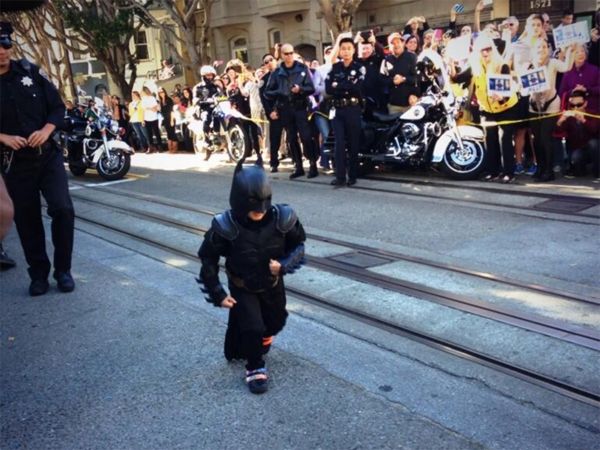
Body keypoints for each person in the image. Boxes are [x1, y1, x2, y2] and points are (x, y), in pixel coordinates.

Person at [197, 159, 306, 394]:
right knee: (253, 327)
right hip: (242, 285)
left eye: (262, 208)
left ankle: (254, 341)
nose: (259, 214)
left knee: (276, 321)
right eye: (254, 209)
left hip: (272, 283)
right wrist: (217, 293)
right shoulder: (225, 225)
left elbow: (299, 246)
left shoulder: (283, 218)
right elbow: (208, 259)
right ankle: (254, 366)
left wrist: (285, 264)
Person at [0, 21, 75, 296]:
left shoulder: (30, 71)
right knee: (27, 219)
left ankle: (63, 270)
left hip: (47, 157)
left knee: (63, 209)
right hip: (14, 162)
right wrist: (3, 137)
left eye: (6, 44)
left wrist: (46, 130)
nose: (3, 51)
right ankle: (39, 274)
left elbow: (57, 107)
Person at [264, 43, 319, 179]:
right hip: (285, 108)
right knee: (292, 138)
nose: (289, 56)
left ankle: (313, 165)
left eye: (291, 53)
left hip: (300, 107)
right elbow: (267, 92)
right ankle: (298, 166)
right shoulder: (277, 72)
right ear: (281, 55)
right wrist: (280, 92)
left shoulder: (302, 68)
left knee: (306, 136)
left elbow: (311, 88)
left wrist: (300, 89)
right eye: (286, 54)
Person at [528, 39, 574, 182]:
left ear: (548, 49)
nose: (541, 49)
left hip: (551, 104)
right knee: (536, 140)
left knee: (545, 138)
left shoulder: (552, 62)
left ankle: (549, 170)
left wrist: (570, 51)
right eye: (538, 47)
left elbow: (566, 67)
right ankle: (540, 167)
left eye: (544, 46)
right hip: (533, 106)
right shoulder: (529, 65)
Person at [326, 37, 365, 187]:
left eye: (349, 48)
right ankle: (340, 176)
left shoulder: (359, 67)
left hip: (352, 109)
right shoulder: (335, 68)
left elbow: (357, 87)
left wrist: (339, 85)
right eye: (343, 48)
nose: (346, 51)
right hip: (337, 110)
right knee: (339, 143)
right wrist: (346, 84)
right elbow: (329, 88)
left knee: (353, 144)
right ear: (339, 51)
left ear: (354, 50)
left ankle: (353, 175)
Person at [556, 89, 599, 179]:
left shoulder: (593, 113)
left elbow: (594, 130)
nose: (576, 108)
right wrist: (560, 121)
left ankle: (598, 172)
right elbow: (559, 132)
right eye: (572, 105)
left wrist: (583, 120)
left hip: (595, 147)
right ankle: (581, 170)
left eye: (579, 105)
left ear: (585, 103)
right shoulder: (570, 117)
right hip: (580, 149)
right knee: (576, 157)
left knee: (593, 144)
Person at [380, 32, 418, 113]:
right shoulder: (386, 60)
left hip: (410, 104)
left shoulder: (412, 57)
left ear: (403, 43)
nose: (396, 45)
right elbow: (382, 80)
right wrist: (392, 81)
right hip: (394, 105)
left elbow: (417, 78)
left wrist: (404, 79)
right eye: (392, 43)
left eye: (398, 42)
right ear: (389, 46)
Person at [559, 43, 600, 112]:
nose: (580, 54)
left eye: (582, 51)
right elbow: (562, 93)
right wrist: (573, 91)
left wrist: (586, 89)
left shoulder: (595, 70)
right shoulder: (567, 73)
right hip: (573, 111)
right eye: (576, 52)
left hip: (592, 111)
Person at [141, 86, 162, 153]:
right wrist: (143, 120)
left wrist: (148, 108)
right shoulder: (143, 99)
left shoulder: (152, 98)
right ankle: (151, 148)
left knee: (157, 133)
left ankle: (160, 147)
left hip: (154, 118)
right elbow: (143, 110)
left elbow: (155, 108)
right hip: (147, 119)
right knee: (149, 134)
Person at [158, 88, 177, 153]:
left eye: (162, 92)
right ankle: (170, 148)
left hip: (171, 118)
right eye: (160, 92)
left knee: (173, 133)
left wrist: (172, 120)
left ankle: (174, 149)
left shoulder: (169, 100)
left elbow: (172, 111)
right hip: (165, 119)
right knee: (168, 134)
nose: (161, 93)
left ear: (165, 92)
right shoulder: (161, 101)